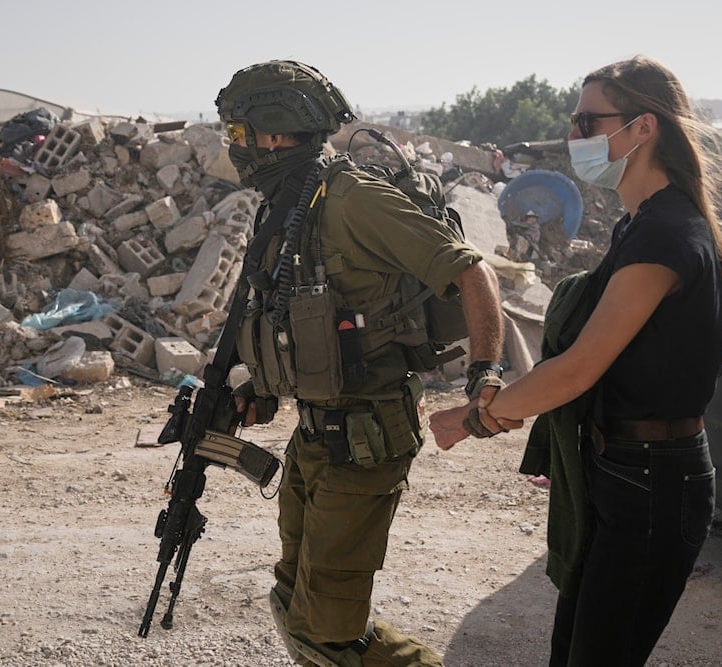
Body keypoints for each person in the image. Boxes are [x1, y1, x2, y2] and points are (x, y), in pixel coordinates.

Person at [430, 55, 722, 666]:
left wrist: (475, 418)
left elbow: (576, 370)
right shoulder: (639, 224)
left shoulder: (666, 235)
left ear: (642, 128)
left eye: (586, 121)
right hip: (623, 468)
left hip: (652, 481)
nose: (574, 136)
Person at [214, 60, 505, 667]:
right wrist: (256, 388)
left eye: (237, 134)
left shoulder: (352, 199)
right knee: (294, 600)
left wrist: (485, 376)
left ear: (271, 133)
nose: (233, 147)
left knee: (329, 631)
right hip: (316, 434)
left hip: (366, 438)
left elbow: (470, 270)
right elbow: (292, 322)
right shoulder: (287, 209)